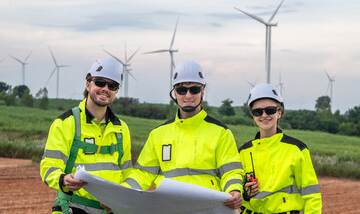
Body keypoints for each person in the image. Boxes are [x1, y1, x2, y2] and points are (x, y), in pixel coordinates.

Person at [122, 60, 244, 210]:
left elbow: (231, 171)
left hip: (206, 209)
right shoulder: (158, 134)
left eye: (194, 89)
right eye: (181, 90)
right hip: (169, 208)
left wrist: (234, 190)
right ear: (174, 93)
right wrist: (121, 191)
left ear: (202, 92)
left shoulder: (221, 133)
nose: (188, 95)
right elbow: (142, 174)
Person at [40, 57, 132, 214]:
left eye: (112, 85)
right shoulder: (66, 123)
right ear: (88, 84)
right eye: (100, 83)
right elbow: (49, 167)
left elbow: (127, 173)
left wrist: (121, 197)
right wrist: (63, 180)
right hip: (73, 208)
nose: (105, 89)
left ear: (116, 91)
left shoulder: (121, 129)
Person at [238, 83, 322, 213]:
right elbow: (233, 193)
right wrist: (245, 193)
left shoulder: (296, 149)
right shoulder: (243, 152)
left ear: (280, 112)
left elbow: (311, 195)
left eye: (270, 110)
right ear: (253, 116)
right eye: (258, 112)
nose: (264, 115)